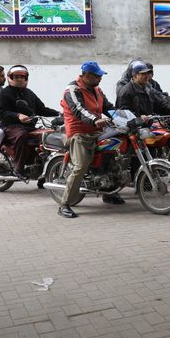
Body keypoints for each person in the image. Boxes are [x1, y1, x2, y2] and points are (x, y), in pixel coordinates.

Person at [57, 61, 118, 219]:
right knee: (81, 165)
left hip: (96, 130)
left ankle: (108, 192)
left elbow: (108, 107)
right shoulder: (72, 89)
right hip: (79, 133)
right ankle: (64, 204)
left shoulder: (97, 89)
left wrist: (124, 116)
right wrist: (94, 120)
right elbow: (79, 109)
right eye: (97, 76)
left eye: (100, 76)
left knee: (112, 153)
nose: (100, 78)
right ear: (86, 76)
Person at [0, 65, 60, 179]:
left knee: (48, 136)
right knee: (22, 135)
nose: (19, 79)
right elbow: (1, 112)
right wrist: (18, 115)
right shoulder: (5, 93)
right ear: (11, 78)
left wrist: (60, 113)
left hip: (30, 126)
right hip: (11, 126)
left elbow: (42, 109)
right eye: (16, 77)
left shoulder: (29, 93)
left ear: (26, 78)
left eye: (22, 77)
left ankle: (43, 172)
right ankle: (18, 168)